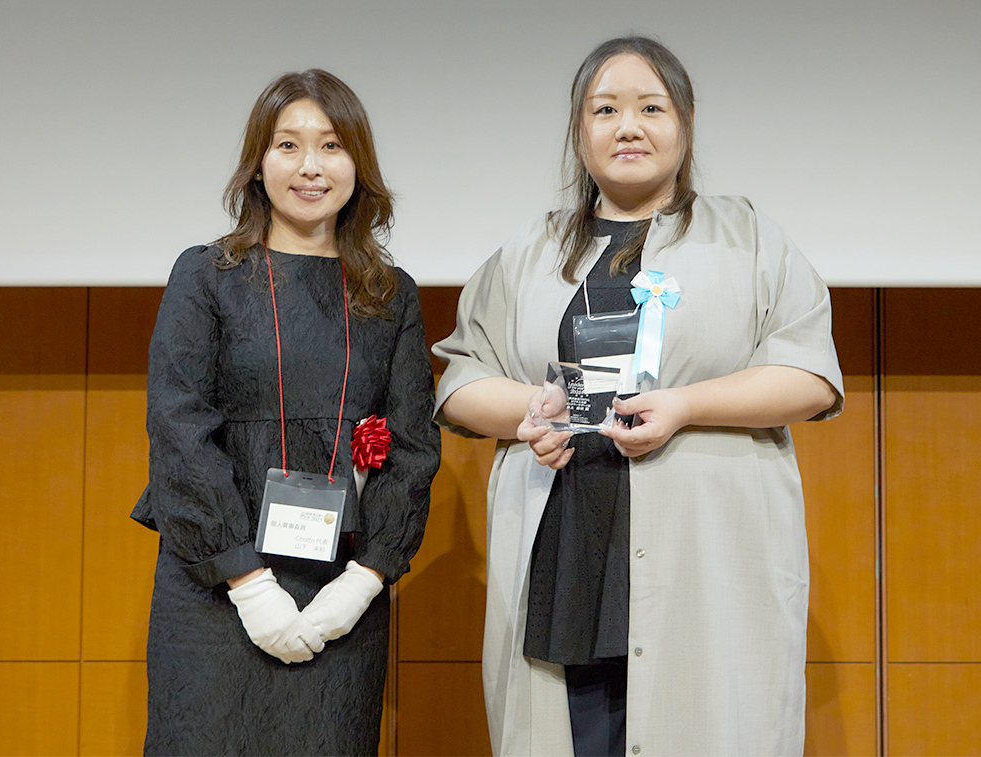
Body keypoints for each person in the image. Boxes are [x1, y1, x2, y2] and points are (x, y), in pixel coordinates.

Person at [433, 36, 843, 757]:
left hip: (704, 549)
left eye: (651, 108)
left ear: (685, 122)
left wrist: (685, 406)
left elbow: (809, 376)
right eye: (606, 110)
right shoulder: (529, 252)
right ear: (579, 130)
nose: (628, 127)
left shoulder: (748, 239)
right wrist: (532, 409)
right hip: (570, 545)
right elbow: (462, 381)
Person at [131, 68, 441, 756]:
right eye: (288, 145)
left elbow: (414, 445)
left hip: (340, 596)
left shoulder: (390, 294)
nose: (310, 167)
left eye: (331, 146)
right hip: (216, 587)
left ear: (358, 165)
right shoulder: (205, 275)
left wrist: (363, 583)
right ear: (258, 163)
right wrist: (249, 585)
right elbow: (179, 430)